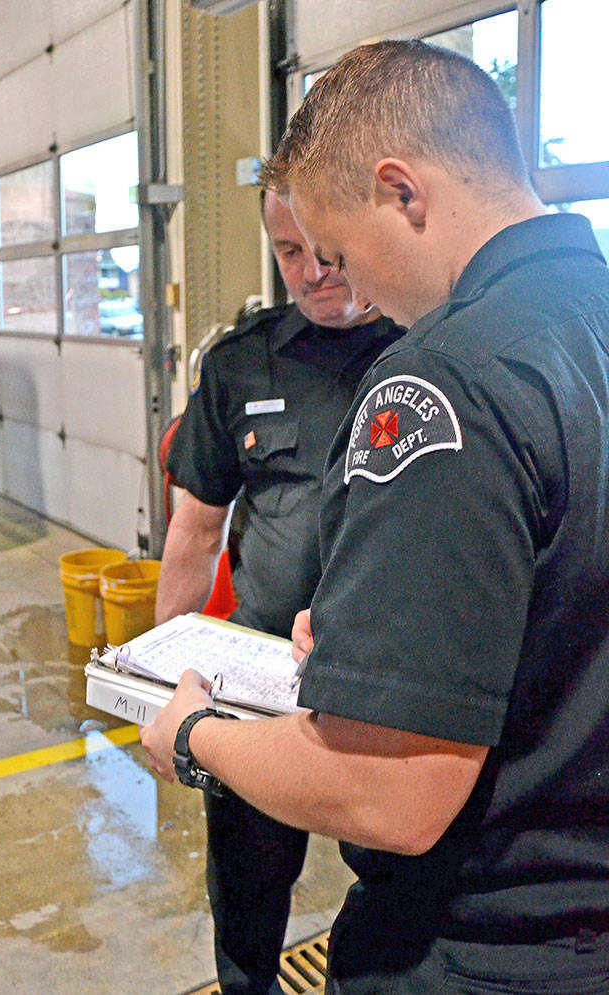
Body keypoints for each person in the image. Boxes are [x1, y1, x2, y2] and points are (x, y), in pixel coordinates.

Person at [141, 39, 609, 993]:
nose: (346, 285)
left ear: (404, 192)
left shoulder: (441, 383)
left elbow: (396, 792)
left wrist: (195, 735)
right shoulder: (586, 317)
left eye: (346, 252)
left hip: (484, 943)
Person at [156, 188, 402, 994]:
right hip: (257, 685)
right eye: (288, 252)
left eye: (325, 248)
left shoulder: (430, 347)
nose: (313, 271)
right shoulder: (242, 362)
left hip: (397, 685)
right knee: (248, 888)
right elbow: (196, 531)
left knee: (401, 889)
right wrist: (164, 677)